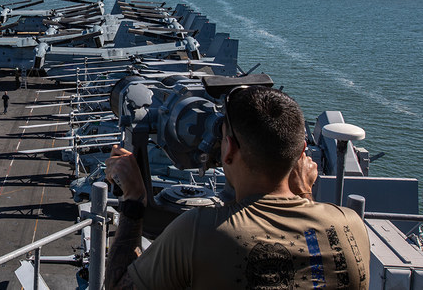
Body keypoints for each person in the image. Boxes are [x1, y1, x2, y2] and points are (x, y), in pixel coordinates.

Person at [105, 86, 370, 289]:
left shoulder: (198, 233)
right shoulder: (351, 226)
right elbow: (307, 247)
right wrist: (303, 195)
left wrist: (134, 200)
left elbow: (118, 285)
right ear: (302, 151)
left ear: (228, 149)